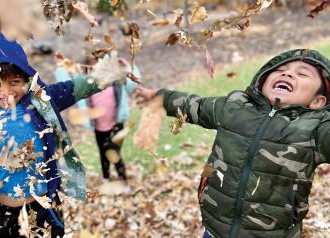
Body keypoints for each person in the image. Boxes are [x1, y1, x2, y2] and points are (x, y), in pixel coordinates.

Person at [0, 33, 127, 237]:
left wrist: (105, 75)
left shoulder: (41, 100)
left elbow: (74, 88)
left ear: (26, 78)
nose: (6, 92)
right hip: (4, 204)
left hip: (44, 199)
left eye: (14, 81)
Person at [135, 49, 330, 238]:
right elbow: (196, 105)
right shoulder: (236, 106)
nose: (287, 73)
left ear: (317, 101)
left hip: (274, 233)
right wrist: (160, 97)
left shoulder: (316, 129)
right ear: (262, 81)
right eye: (279, 70)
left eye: (302, 74)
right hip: (217, 226)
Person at [54, 55, 139, 189]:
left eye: (99, 64)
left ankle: (124, 183)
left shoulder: (115, 80)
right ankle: (106, 177)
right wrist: (60, 67)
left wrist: (127, 66)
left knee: (114, 153)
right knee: (103, 153)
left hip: (116, 124)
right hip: (99, 127)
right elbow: (65, 84)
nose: (97, 68)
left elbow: (132, 84)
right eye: (93, 65)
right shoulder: (86, 85)